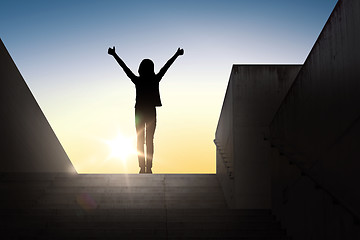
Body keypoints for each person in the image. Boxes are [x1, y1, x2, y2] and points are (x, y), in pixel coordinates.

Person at [108, 46, 184, 173]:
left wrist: (114, 55)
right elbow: (166, 66)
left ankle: (142, 167)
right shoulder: (155, 79)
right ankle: (148, 167)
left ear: (141, 69)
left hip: (139, 112)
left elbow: (125, 68)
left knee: (140, 140)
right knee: (149, 140)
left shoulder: (138, 80)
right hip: (150, 112)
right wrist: (176, 54)